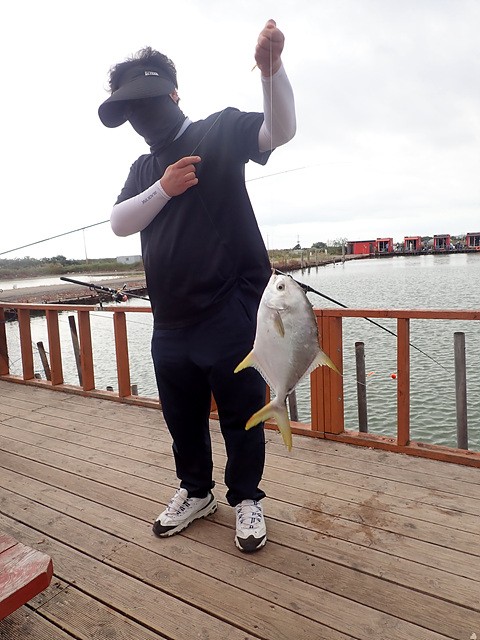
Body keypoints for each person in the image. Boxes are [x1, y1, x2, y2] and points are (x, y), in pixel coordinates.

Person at [99, 19, 296, 552]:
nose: (141, 117)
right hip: (169, 322)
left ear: (173, 94)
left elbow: (277, 132)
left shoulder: (218, 130)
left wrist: (272, 72)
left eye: (146, 103)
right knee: (181, 418)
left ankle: (247, 497)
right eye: (130, 111)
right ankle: (196, 491)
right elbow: (119, 223)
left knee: (241, 416)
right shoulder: (143, 168)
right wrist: (164, 188)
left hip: (229, 311)